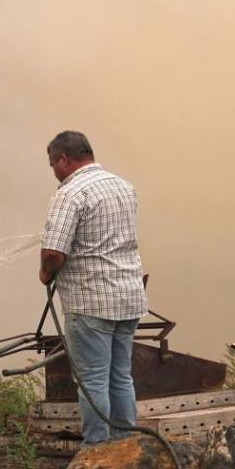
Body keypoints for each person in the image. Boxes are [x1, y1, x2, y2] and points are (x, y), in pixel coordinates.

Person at [38, 131, 147, 444]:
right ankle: (126, 447)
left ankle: (96, 450)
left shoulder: (70, 193)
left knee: (93, 379)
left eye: (52, 164)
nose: (54, 172)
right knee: (120, 376)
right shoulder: (123, 186)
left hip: (91, 302)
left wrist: (45, 273)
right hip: (128, 298)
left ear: (63, 159)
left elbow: (53, 253)